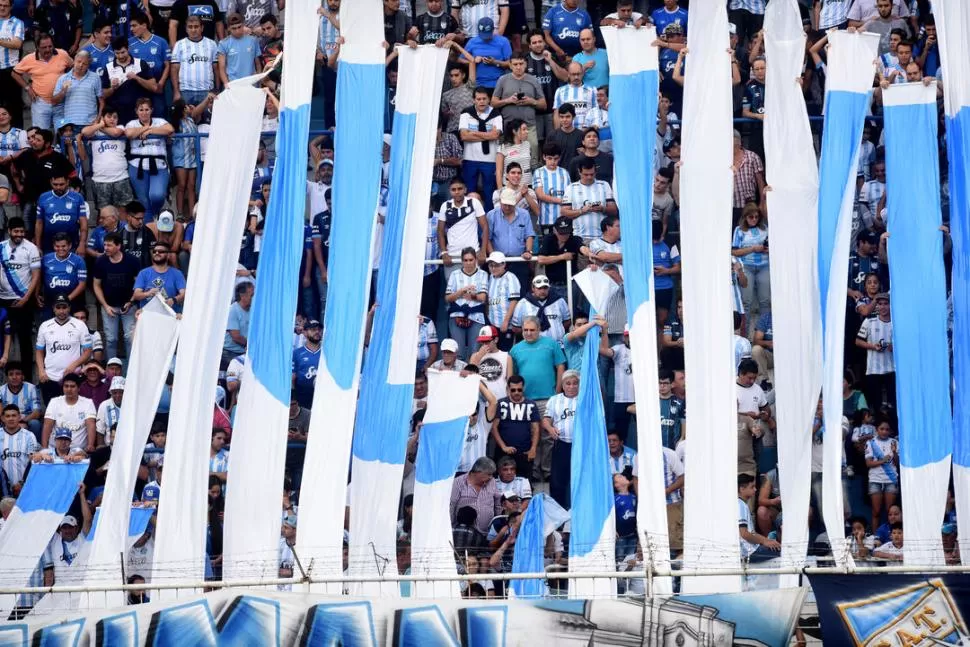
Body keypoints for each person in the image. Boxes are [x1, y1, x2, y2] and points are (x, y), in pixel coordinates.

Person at [509, 315, 565, 481]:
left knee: (547, 437)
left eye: (532, 330)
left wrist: (558, 390)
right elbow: (513, 376)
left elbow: (560, 366)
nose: (528, 333)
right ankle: (532, 471)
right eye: (525, 330)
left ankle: (547, 471)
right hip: (524, 401)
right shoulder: (515, 349)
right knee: (530, 436)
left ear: (539, 330)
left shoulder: (551, 344)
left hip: (547, 398)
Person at [35, 294, 92, 402]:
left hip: (72, 378)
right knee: (52, 414)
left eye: (64, 307)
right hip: (50, 378)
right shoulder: (44, 326)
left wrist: (73, 365)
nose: (62, 311)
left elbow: (88, 351)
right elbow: (39, 351)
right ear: (53, 308)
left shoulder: (80, 325)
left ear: (69, 308)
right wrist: (41, 371)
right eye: (58, 307)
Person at [92, 232, 140, 359]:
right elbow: (96, 285)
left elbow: (139, 285)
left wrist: (131, 301)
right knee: (111, 339)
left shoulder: (132, 261)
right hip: (109, 306)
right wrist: (105, 305)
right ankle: (111, 372)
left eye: (109, 245)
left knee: (130, 339)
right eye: (105, 245)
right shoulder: (100, 261)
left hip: (129, 306)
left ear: (118, 246)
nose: (105, 248)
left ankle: (131, 372)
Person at [125, 98, 174, 222]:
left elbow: (170, 129)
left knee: (157, 196)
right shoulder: (132, 123)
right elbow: (129, 134)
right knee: (144, 201)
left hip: (159, 165)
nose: (144, 112)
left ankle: (153, 214)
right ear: (136, 111)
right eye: (141, 110)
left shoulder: (159, 121)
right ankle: (149, 230)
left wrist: (151, 130)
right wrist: (144, 129)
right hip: (137, 166)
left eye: (147, 109)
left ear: (151, 110)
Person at [491, 53, 545, 164]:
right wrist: (508, 100)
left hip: (529, 127)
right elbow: (493, 103)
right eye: (515, 64)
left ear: (526, 64)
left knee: (531, 161)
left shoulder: (533, 80)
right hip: (508, 127)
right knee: (508, 161)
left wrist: (531, 101)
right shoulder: (503, 80)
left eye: (521, 64)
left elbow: (544, 105)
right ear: (510, 65)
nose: (518, 67)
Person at [11, 33, 73, 131]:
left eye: (50, 46)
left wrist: (68, 83)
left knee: (63, 133)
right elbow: (15, 73)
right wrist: (28, 88)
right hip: (41, 103)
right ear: (37, 47)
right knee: (41, 134)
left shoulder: (62, 54)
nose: (48, 50)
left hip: (61, 102)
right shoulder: (29, 59)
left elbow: (73, 67)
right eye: (44, 47)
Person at [459, 86, 503, 210]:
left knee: (489, 193)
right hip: (469, 158)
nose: (481, 101)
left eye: (484, 99)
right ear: (474, 100)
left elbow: (495, 135)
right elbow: (463, 136)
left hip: (490, 160)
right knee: (469, 192)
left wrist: (474, 133)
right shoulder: (466, 113)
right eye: (478, 99)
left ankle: (489, 219)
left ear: (489, 99)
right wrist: (488, 136)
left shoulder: (496, 114)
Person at [437, 177, 488, 279]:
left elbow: (485, 227)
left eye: (460, 189)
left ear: (465, 189)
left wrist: (483, 251)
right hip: (452, 256)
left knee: (475, 290)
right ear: (450, 191)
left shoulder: (474, 202)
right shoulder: (445, 206)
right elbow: (440, 231)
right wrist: (444, 252)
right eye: (453, 189)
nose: (457, 192)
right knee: (454, 292)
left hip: (473, 254)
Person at [491, 374, 540, 480]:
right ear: (508, 389)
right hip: (503, 452)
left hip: (525, 452)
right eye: (513, 390)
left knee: (525, 484)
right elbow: (494, 427)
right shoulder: (501, 403)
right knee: (500, 484)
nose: (516, 392)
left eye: (519, 389)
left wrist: (533, 449)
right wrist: (503, 447)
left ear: (524, 388)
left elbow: (536, 429)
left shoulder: (531, 404)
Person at [445, 247, 488, 360]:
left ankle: (472, 377)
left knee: (475, 352)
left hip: (476, 316)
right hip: (456, 315)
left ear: (476, 259)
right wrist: (461, 291)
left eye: (471, 259)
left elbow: (483, 297)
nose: (468, 263)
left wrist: (473, 296)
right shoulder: (454, 274)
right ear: (462, 260)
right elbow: (448, 298)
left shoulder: (483, 274)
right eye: (465, 260)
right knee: (458, 353)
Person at [486, 187, 535, 288]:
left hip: (519, 260)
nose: (507, 207)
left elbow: (529, 235)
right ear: (500, 202)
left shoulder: (524, 214)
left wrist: (528, 251)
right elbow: (487, 238)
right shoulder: (491, 215)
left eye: (510, 205)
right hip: (498, 262)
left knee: (521, 291)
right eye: (505, 204)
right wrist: (493, 256)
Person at [855, 292, 895, 411]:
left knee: (892, 405)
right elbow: (857, 341)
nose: (882, 307)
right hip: (873, 370)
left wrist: (894, 347)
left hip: (892, 369)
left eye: (886, 304)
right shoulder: (869, 321)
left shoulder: (896, 323)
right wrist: (873, 346)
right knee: (876, 406)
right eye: (880, 304)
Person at [561, 157, 617, 243]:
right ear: (579, 172)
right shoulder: (571, 188)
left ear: (596, 172)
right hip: (580, 237)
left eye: (592, 174)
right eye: (586, 174)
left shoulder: (604, 185)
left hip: (603, 237)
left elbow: (614, 210)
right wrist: (581, 211)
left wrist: (603, 209)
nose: (589, 177)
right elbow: (564, 212)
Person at [543, 368, 577, 507]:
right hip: (561, 444)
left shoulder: (586, 399)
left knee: (580, 479)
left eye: (575, 383)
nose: (571, 386)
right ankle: (560, 513)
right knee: (557, 482)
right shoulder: (554, 400)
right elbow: (546, 419)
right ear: (562, 385)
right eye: (568, 383)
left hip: (580, 446)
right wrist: (550, 429)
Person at [127, 13, 170, 118]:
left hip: (157, 87)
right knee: (139, 118)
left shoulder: (161, 42)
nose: (131, 29)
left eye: (134, 25)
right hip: (137, 86)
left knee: (159, 115)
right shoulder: (129, 43)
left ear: (144, 25)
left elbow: (167, 65)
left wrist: (161, 83)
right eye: (130, 26)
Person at [34, 172, 89, 256]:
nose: (58, 187)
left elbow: (83, 222)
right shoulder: (43, 197)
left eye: (61, 184)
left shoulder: (77, 197)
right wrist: (38, 246)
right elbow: (39, 223)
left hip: (72, 244)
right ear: (50, 182)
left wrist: (82, 244)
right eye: (55, 184)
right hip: (48, 244)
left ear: (67, 182)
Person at [731, 202, 770, 318]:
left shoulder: (764, 228)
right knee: (746, 303)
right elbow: (734, 251)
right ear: (745, 217)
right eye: (751, 217)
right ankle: (746, 335)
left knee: (765, 302)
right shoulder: (739, 230)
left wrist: (766, 250)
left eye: (757, 217)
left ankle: (765, 332)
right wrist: (753, 248)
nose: (754, 219)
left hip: (764, 266)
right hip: (746, 267)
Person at [170, 15, 218, 106]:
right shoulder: (179, 44)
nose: (193, 30)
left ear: (202, 28)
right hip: (185, 91)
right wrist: (176, 92)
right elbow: (174, 69)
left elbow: (216, 68)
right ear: (186, 29)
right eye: (190, 27)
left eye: (196, 26)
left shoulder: (212, 44)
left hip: (207, 90)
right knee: (186, 120)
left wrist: (217, 89)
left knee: (208, 120)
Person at [41, 372, 96, 451]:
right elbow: (47, 425)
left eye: (72, 386)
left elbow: (91, 425)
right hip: (55, 450)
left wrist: (90, 446)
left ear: (79, 388)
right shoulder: (54, 402)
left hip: (79, 451)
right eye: (66, 386)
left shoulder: (88, 403)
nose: (69, 389)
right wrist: (44, 449)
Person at [450, 456, 502, 536]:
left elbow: (498, 503)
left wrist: (497, 525)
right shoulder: (458, 482)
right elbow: (451, 506)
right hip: (462, 533)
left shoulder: (492, 482)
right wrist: (452, 528)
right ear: (478, 472)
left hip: (486, 534)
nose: (491, 477)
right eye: (488, 474)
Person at [599, 323, 635, 442]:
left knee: (644, 432)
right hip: (621, 399)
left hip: (640, 399)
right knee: (620, 434)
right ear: (623, 337)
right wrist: (604, 330)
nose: (629, 338)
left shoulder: (645, 349)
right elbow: (604, 351)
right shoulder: (619, 348)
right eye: (627, 336)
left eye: (631, 335)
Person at [511, 274, 570, 341]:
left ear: (549, 288)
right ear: (533, 288)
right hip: (533, 346)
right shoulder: (522, 304)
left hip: (557, 344)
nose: (542, 291)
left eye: (545, 288)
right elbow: (516, 328)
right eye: (539, 288)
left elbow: (567, 321)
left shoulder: (559, 301)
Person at [865, 418, 899, 535]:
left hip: (891, 479)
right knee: (876, 512)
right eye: (882, 429)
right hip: (875, 479)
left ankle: (890, 537)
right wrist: (883, 460)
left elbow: (898, 463)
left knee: (891, 514)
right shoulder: (870, 443)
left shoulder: (894, 442)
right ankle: (876, 538)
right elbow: (868, 463)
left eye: (887, 429)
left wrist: (894, 452)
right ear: (877, 430)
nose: (884, 431)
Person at [51, 51, 102, 127]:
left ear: (88, 65)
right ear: (74, 61)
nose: (81, 65)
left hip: (90, 123)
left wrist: (98, 119)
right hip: (70, 125)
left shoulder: (95, 77)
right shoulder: (63, 78)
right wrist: (63, 91)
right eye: (79, 61)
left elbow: (101, 100)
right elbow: (54, 102)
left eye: (84, 64)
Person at [737, 473, 780, 562]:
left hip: (749, 550)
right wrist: (765, 541)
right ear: (742, 489)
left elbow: (750, 532)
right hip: (749, 552)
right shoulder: (740, 505)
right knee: (784, 553)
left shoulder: (741, 504)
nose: (755, 489)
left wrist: (766, 540)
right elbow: (744, 533)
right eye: (752, 487)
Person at [132, 241, 186, 311]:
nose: (157, 253)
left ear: (168, 255)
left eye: (161, 251)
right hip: (148, 314)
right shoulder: (143, 273)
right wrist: (147, 294)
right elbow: (136, 295)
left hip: (170, 314)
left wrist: (174, 300)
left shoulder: (177, 273)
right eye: (154, 251)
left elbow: (184, 294)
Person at [0, 403, 39, 493]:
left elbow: (33, 462)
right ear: (2, 418)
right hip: (1, 488)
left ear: (19, 417)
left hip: (24, 486)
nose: (11, 418)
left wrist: (22, 483)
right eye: (8, 416)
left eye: (14, 415)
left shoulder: (29, 436)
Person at [484, 252, 520, 347]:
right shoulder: (490, 277)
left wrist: (506, 321)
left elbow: (514, 301)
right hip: (493, 323)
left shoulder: (510, 277)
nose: (493, 268)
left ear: (504, 264)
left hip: (506, 325)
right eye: (491, 265)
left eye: (496, 265)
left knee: (505, 353)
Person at [533, 143, 572, 231]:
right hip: (546, 220)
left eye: (555, 159)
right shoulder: (538, 172)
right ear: (544, 157)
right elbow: (540, 195)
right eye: (549, 158)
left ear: (559, 158)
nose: (553, 162)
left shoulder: (565, 173)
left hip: (563, 218)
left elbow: (570, 195)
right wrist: (561, 201)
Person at [0, 0, 26, 129]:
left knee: (14, 107)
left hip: (10, 70)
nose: (2, 8)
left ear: (11, 7)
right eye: (0, 5)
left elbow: (17, 44)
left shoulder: (17, 23)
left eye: (5, 5)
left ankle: (18, 139)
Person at [537, 215, 581, 290]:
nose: (564, 236)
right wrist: (562, 257)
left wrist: (590, 254)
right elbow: (541, 260)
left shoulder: (574, 239)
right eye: (561, 233)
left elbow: (583, 248)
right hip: (552, 284)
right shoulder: (548, 239)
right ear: (554, 230)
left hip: (571, 284)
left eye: (566, 233)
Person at [0, 363, 43, 440]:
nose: (14, 377)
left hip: (26, 419)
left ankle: (36, 447)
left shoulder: (31, 388)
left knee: (35, 424)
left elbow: (37, 412)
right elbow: (1, 414)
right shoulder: (1, 390)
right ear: (7, 377)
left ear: (23, 376)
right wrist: (11, 422)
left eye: (18, 374)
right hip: (7, 420)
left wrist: (23, 420)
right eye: (11, 374)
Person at [217, 14, 260, 85]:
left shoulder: (253, 40)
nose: (237, 30)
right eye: (234, 28)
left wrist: (258, 81)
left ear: (243, 25)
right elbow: (222, 68)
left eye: (239, 27)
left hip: (251, 83)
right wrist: (226, 84)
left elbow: (258, 64)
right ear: (228, 28)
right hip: (233, 83)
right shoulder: (223, 43)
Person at [553, 62, 595, 129]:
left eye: (578, 74)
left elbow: (595, 112)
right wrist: (558, 134)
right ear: (568, 74)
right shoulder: (560, 91)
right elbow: (557, 114)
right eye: (573, 74)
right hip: (567, 133)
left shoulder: (592, 90)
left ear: (582, 73)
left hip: (586, 133)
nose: (576, 77)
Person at [292, 319, 321, 409]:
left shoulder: (327, 353)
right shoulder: (297, 353)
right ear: (304, 333)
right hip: (303, 396)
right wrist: (293, 398)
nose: (317, 332)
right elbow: (292, 377)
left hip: (323, 394)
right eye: (313, 330)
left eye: (319, 329)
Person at [545, 102, 583, 171]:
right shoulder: (552, 135)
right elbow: (547, 156)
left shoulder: (581, 135)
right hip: (557, 173)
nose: (564, 120)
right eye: (562, 117)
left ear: (573, 117)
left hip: (575, 174)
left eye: (567, 116)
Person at [223, 281, 253, 364]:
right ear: (242, 296)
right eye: (252, 295)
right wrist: (252, 345)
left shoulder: (253, 311)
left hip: (245, 351)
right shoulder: (233, 310)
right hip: (230, 353)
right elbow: (236, 337)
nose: (254, 298)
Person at [95, 376, 124, 445]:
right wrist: (101, 449)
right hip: (110, 446)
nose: (118, 395)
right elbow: (100, 430)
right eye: (115, 392)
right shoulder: (104, 405)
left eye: (121, 392)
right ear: (111, 393)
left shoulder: (132, 404)